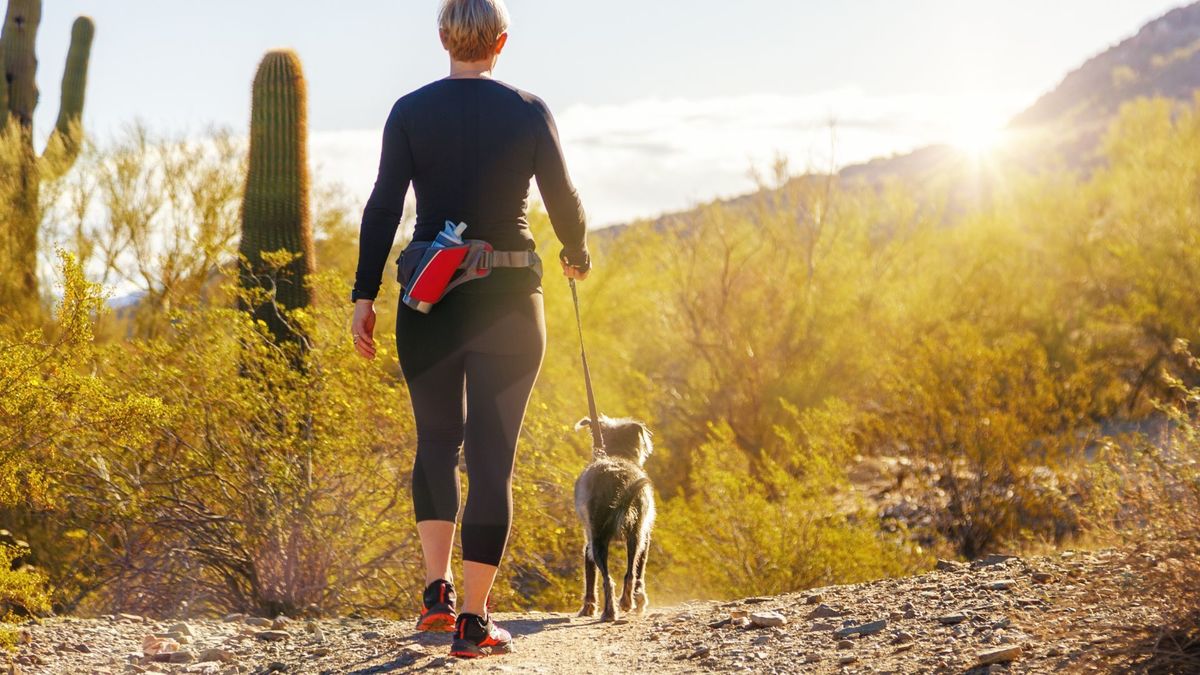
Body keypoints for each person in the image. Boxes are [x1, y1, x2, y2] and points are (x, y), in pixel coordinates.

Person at [349, 0, 590, 660]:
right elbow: (562, 198)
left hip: (427, 301)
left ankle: (436, 598)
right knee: (491, 460)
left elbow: (383, 205)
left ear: (442, 38)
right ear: (502, 42)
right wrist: (575, 251)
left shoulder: (409, 111)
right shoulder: (529, 109)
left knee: (435, 442)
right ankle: (475, 625)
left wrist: (363, 293)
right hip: (511, 297)